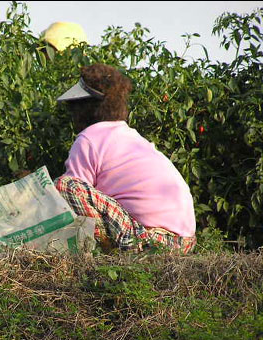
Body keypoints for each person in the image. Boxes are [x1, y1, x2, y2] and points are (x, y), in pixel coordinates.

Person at [54, 63, 197, 254]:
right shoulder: (131, 136)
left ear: (84, 107)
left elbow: (70, 200)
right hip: (185, 242)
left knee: (65, 186)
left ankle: (108, 252)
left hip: (149, 238)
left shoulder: (88, 139)